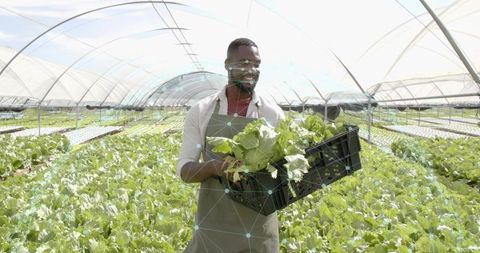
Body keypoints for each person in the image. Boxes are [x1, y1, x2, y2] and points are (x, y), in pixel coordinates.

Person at [177, 38, 285, 253]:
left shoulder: (272, 114)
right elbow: (185, 171)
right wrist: (213, 167)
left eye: (256, 64)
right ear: (227, 64)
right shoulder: (202, 111)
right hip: (214, 225)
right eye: (244, 62)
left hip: (259, 229)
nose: (251, 70)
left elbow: (283, 171)